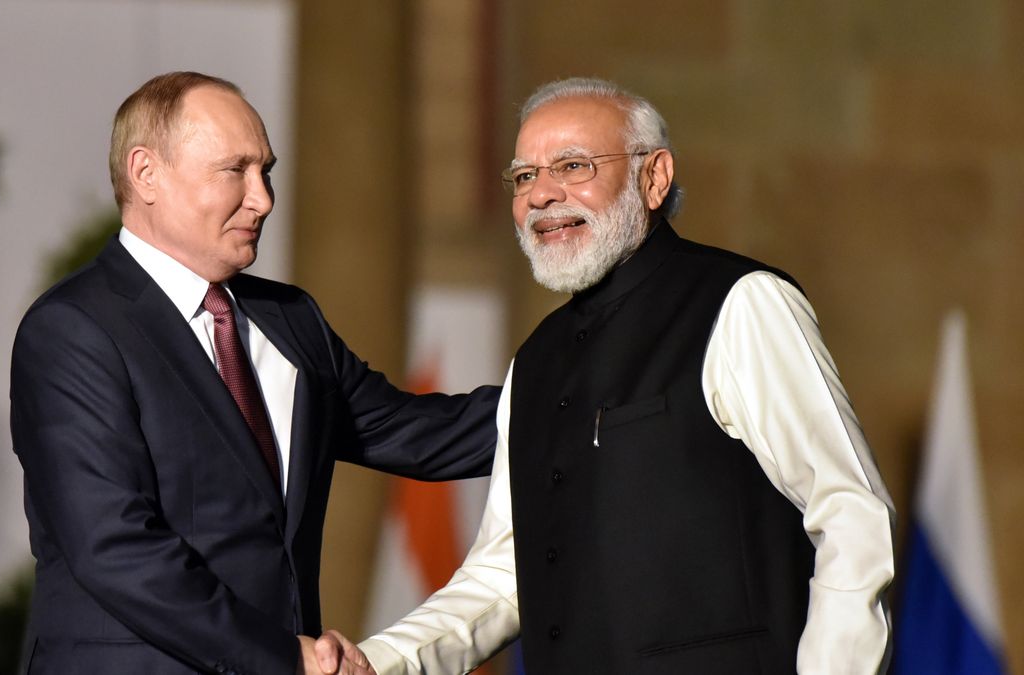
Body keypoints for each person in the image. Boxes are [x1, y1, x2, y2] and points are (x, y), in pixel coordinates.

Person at [355, 77, 896, 674]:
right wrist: (370, 664)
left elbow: (852, 514)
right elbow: (503, 576)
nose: (541, 195)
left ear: (654, 178)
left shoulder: (742, 302)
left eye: (573, 166)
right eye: (525, 176)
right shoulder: (534, 361)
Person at [9, 71, 498, 675]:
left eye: (266, 171)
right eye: (234, 170)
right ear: (146, 173)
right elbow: (114, 546)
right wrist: (285, 658)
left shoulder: (291, 319)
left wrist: (575, 394)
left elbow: (422, 433)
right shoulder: (73, 329)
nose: (262, 198)